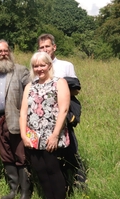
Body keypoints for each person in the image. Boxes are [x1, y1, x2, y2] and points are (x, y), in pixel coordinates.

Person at [20, 51, 71, 199]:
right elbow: (23, 113)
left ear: (49, 65)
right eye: (36, 66)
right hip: (33, 135)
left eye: (42, 65)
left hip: (51, 134)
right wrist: (24, 135)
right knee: (40, 169)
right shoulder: (30, 86)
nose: (39, 68)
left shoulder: (59, 83)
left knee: (52, 169)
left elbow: (63, 110)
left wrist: (55, 135)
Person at [0, 40, 31, 199]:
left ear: (9, 52)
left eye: (5, 51)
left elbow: (31, 95)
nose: (3, 54)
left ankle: (25, 192)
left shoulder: (21, 71)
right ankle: (13, 188)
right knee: (6, 156)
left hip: (16, 119)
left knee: (21, 156)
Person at [37, 33, 87, 189]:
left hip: (63, 115)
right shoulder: (37, 65)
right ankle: (59, 184)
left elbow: (76, 90)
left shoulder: (66, 65)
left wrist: (59, 90)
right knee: (50, 151)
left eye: (47, 46)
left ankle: (79, 182)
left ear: (54, 47)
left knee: (70, 149)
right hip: (44, 116)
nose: (45, 49)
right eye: (41, 47)